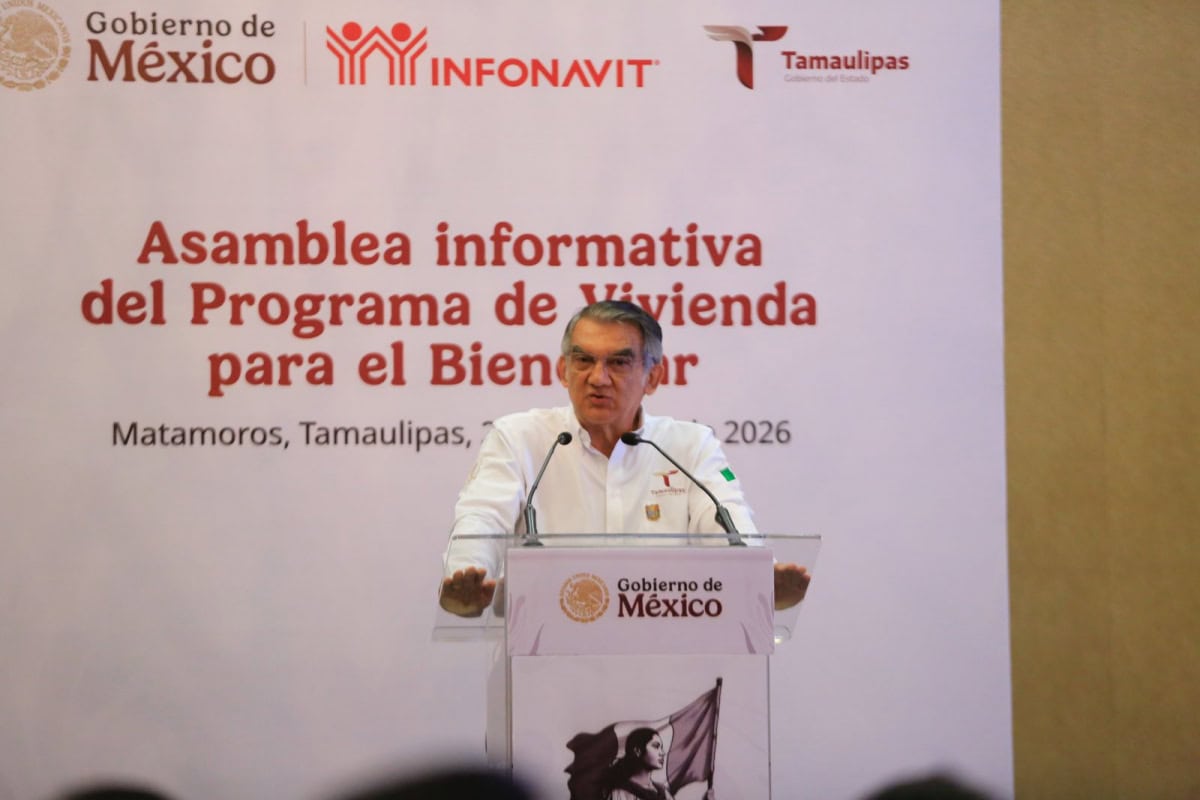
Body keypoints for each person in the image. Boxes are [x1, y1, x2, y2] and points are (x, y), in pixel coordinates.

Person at [439, 300, 810, 617]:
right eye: (583, 360)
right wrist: (469, 573)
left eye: (618, 363)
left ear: (653, 377)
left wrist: (758, 577)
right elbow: (482, 517)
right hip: (542, 659)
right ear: (563, 371)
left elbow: (728, 521)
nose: (598, 378)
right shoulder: (520, 437)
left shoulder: (689, 446)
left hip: (667, 656)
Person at [602, 728, 675, 800]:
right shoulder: (622, 792)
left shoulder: (662, 791)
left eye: (661, 748)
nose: (662, 753)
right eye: (656, 746)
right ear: (637, 751)